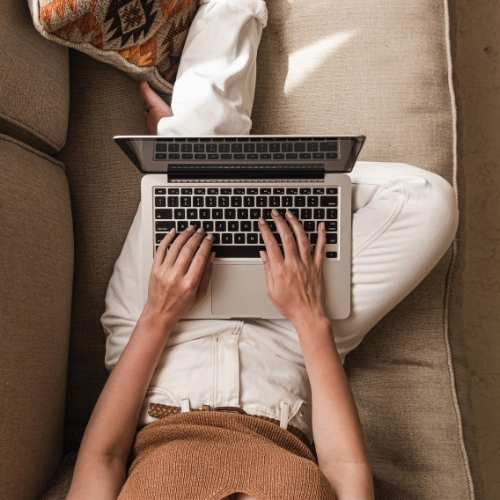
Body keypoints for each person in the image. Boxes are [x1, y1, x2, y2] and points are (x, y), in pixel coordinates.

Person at [66, 0, 459, 499]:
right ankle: (194, 157)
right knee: (426, 202)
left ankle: (193, 154)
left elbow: (103, 457)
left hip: (164, 340)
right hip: (293, 347)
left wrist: (159, 314)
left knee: (201, 145)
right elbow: (343, 467)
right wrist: (309, 315)